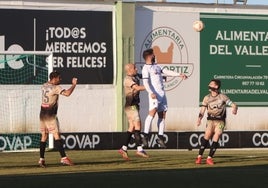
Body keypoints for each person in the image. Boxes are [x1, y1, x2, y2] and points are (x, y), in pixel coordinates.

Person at [141, 48, 187, 148]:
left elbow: (166, 71)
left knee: (162, 115)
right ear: (149, 56)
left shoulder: (156, 66)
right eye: (153, 54)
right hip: (154, 95)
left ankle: (160, 137)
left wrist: (179, 74)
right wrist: (151, 92)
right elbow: (145, 82)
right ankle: (145, 136)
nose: (154, 56)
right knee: (152, 114)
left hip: (162, 94)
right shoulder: (146, 68)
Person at [38, 71, 77, 167]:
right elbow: (67, 94)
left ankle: (41, 159)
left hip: (42, 114)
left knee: (44, 136)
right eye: (59, 78)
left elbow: (49, 82)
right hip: (50, 115)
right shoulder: (56, 88)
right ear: (54, 78)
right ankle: (64, 158)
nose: (60, 80)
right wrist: (73, 85)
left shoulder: (44, 85)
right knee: (56, 135)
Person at [195, 79, 238, 165]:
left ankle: (209, 158)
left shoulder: (223, 97)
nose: (208, 85)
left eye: (211, 84)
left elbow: (233, 104)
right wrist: (199, 119)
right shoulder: (206, 98)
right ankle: (199, 157)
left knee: (217, 136)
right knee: (207, 136)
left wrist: (234, 108)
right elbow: (202, 110)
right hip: (210, 120)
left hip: (220, 121)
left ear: (216, 87)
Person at [118, 63, 149, 160]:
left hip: (133, 105)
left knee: (132, 127)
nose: (136, 69)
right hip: (131, 106)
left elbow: (145, 76)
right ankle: (139, 149)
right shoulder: (128, 80)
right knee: (138, 125)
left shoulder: (135, 76)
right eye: (134, 68)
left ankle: (124, 148)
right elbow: (137, 88)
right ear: (129, 70)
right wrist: (151, 87)